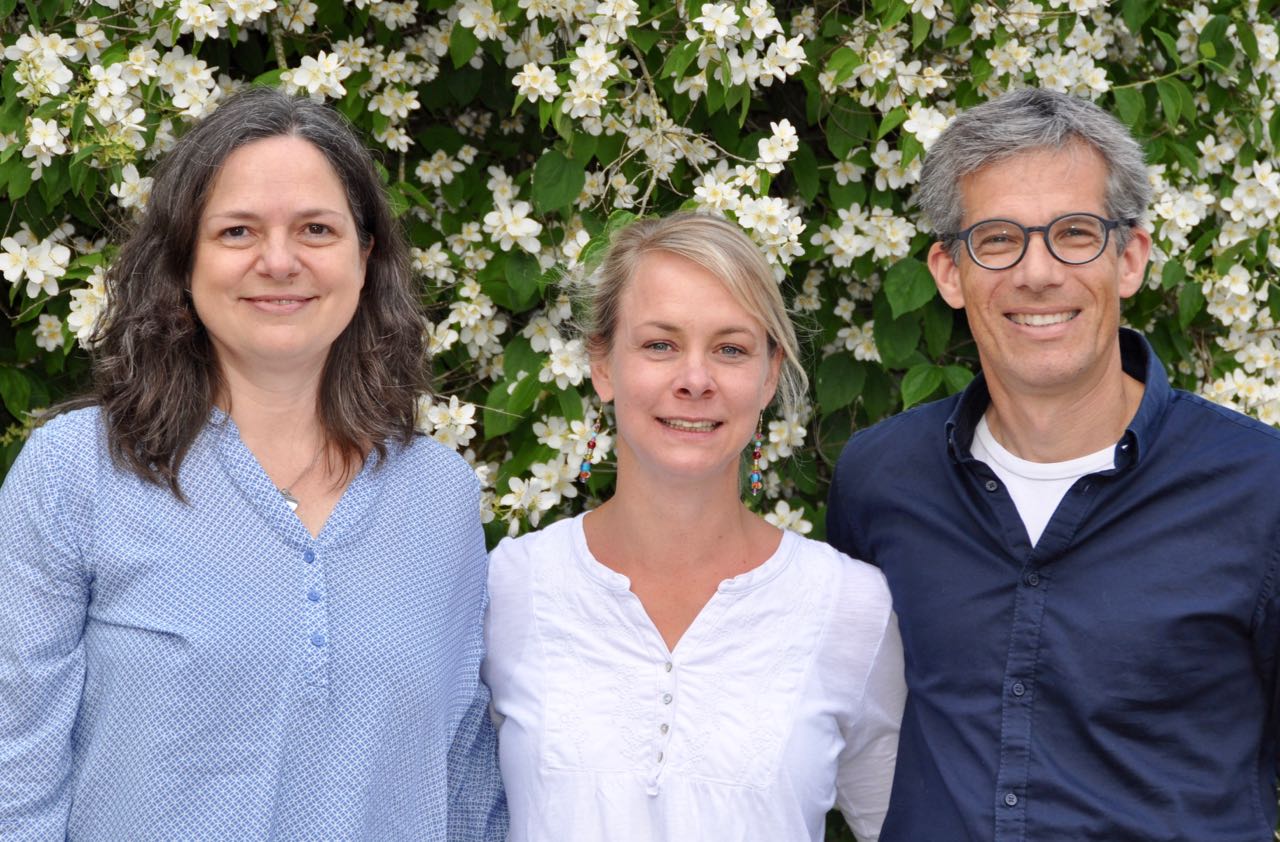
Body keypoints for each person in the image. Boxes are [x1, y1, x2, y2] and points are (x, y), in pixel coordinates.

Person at [0, 86, 506, 840]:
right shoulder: (77, 473)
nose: (279, 261)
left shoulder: (439, 494)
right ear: (183, 260)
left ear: (364, 258)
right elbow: (16, 773)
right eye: (237, 231)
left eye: (316, 229)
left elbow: (463, 778)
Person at [827, 87, 1280, 840]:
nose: (1037, 273)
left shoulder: (1261, 489)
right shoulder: (882, 479)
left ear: (1129, 257)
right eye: (998, 239)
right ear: (948, 271)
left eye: (1074, 233)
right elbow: (859, 721)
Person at [483, 212, 906, 842]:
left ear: (768, 375)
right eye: (660, 344)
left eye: (731, 349)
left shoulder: (852, 607)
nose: (695, 380)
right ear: (602, 365)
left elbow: (897, 824)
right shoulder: (508, 586)